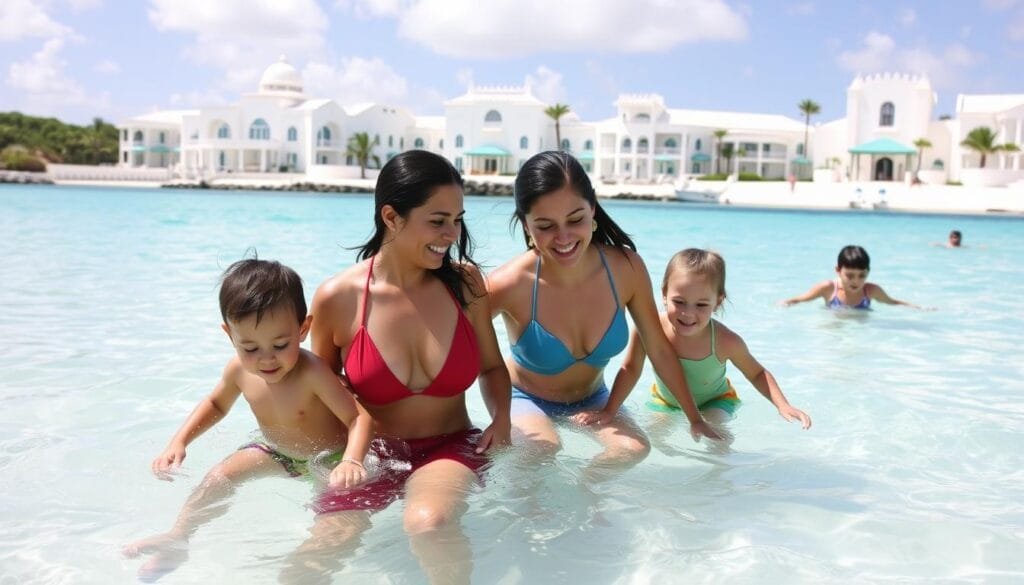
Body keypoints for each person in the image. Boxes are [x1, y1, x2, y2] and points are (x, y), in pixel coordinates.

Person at [305, 150, 511, 585]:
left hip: (450, 446)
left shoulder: (466, 284)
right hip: (372, 456)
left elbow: (492, 368)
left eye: (458, 219)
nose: (451, 234)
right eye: (438, 221)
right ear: (392, 217)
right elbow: (316, 393)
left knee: (428, 523)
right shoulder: (338, 298)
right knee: (316, 555)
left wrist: (502, 418)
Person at [123, 258, 373, 581]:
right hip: (277, 452)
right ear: (230, 335)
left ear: (303, 328)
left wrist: (352, 460)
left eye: (280, 345)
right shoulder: (239, 371)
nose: (266, 358)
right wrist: (180, 440)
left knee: (334, 534)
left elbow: (358, 419)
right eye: (250, 347)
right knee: (219, 476)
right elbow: (216, 403)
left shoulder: (312, 373)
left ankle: (311, 569)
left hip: (332, 459)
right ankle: (178, 537)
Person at [487, 151, 721, 482]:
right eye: (545, 226)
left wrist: (694, 417)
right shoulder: (507, 284)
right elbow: (465, 353)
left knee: (633, 449)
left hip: (594, 398)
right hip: (524, 398)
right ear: (525, 224)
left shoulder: (626, 269)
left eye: (575, 219)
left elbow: (658, 349)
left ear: (593, 209)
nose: (564, 237)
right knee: (542, 451)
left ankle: (584, 501)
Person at [613, 249, 810, 448]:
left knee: (719, 439)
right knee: (652, 440)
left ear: (718, 302)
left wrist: (782, 404)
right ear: (664, 294)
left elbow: (757, 373)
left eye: (701, 305)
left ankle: (722, 477)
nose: (688, 313)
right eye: (679, 302)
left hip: (715, 401)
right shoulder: (650, 329)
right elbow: (630, 369)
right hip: (666, 401)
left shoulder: (725, 341)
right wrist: (609, 411)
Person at [781, 245, 925, 309]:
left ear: (868, 271)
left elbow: (892, 302)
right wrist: (783, 304)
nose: (856, 281)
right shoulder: (828, 288)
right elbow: (800, 299)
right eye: (850, 276)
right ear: (838, 270)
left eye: (862, 275)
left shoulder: (871, 290)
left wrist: (916, 307)